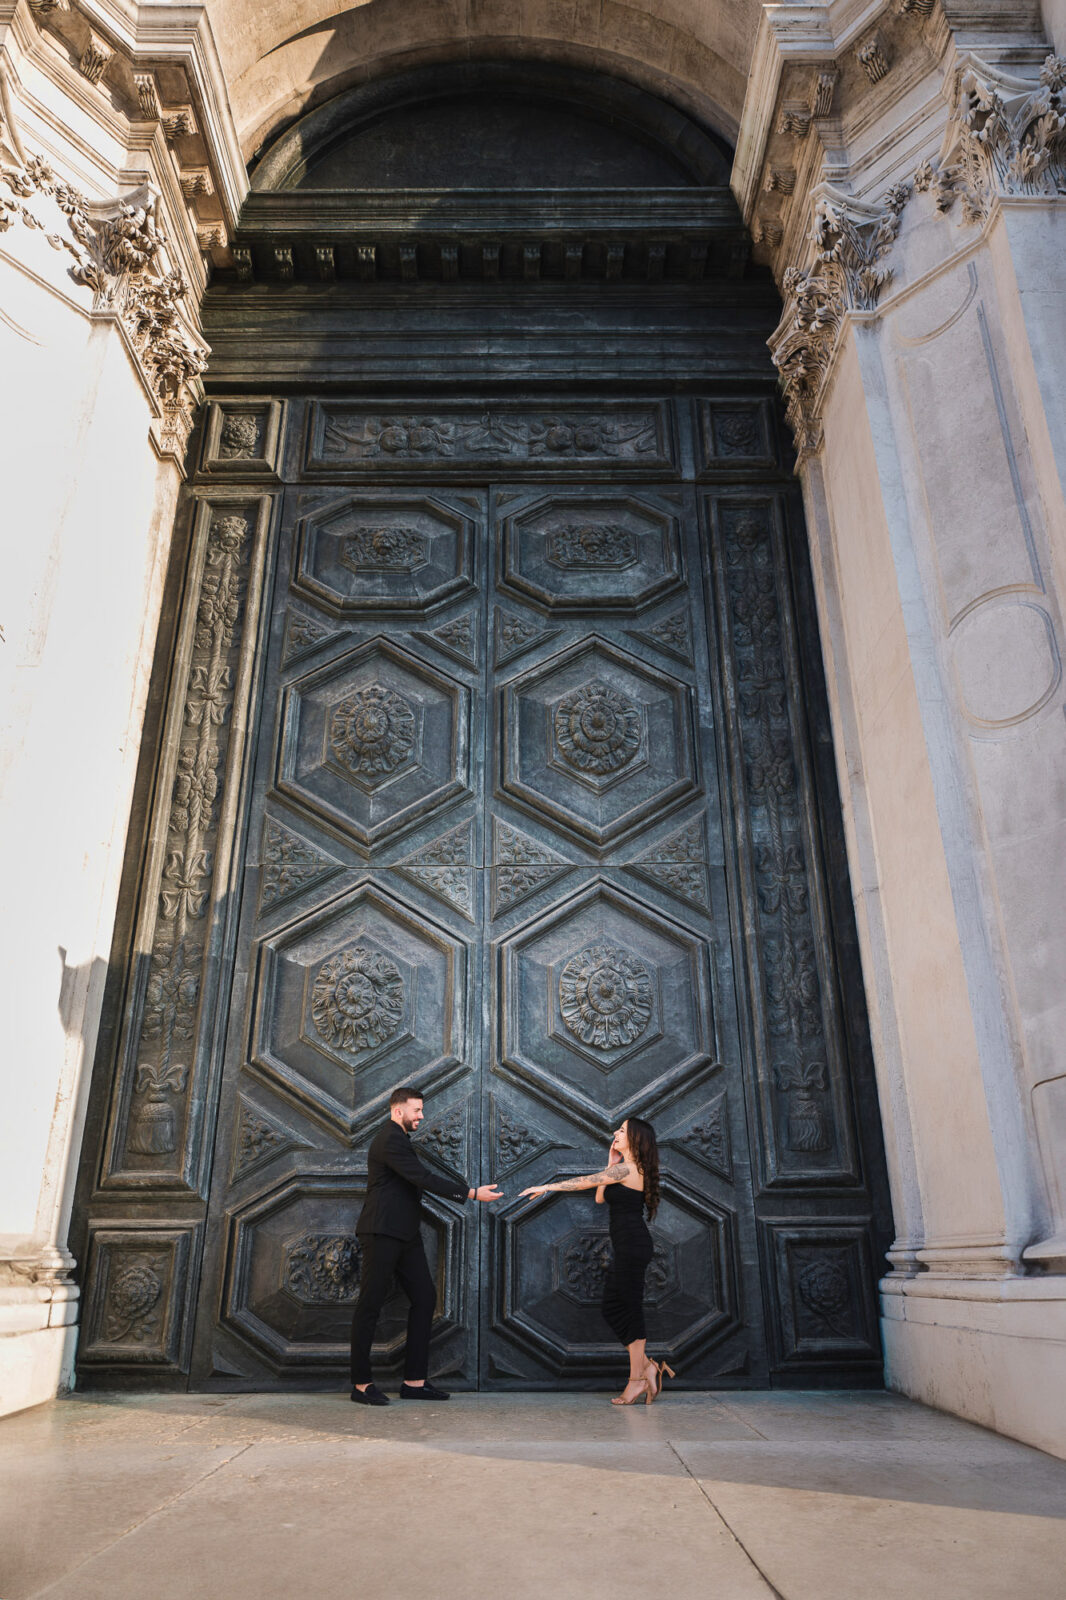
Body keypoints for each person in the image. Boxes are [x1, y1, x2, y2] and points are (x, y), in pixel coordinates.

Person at [351, 1086, 501, 1405]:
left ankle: (414, 1383)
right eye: (416, 1110)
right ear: (398, 1111)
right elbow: (422, 1177)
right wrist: (472, 1193)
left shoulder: (399, 1139)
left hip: (404, 1232)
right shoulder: (390, 1139)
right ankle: (361, 1385)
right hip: (382, 1231)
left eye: (421, 1109)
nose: (421, 1115)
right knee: (370, 1305)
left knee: (424, 1297)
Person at [520, 1116, 674, 1405]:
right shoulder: (622, 1169)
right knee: (614, 1307)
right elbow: (600, 1198)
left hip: (633, 1246)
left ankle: (637, 1380)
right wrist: (609, 1164)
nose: (615, 1133)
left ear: (635, 1139)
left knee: (629, 1308)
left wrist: (547, 1187)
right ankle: (648, 1367)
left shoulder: (629, 1169)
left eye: (622, 1130)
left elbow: (585, 1183)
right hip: (628, 1246)